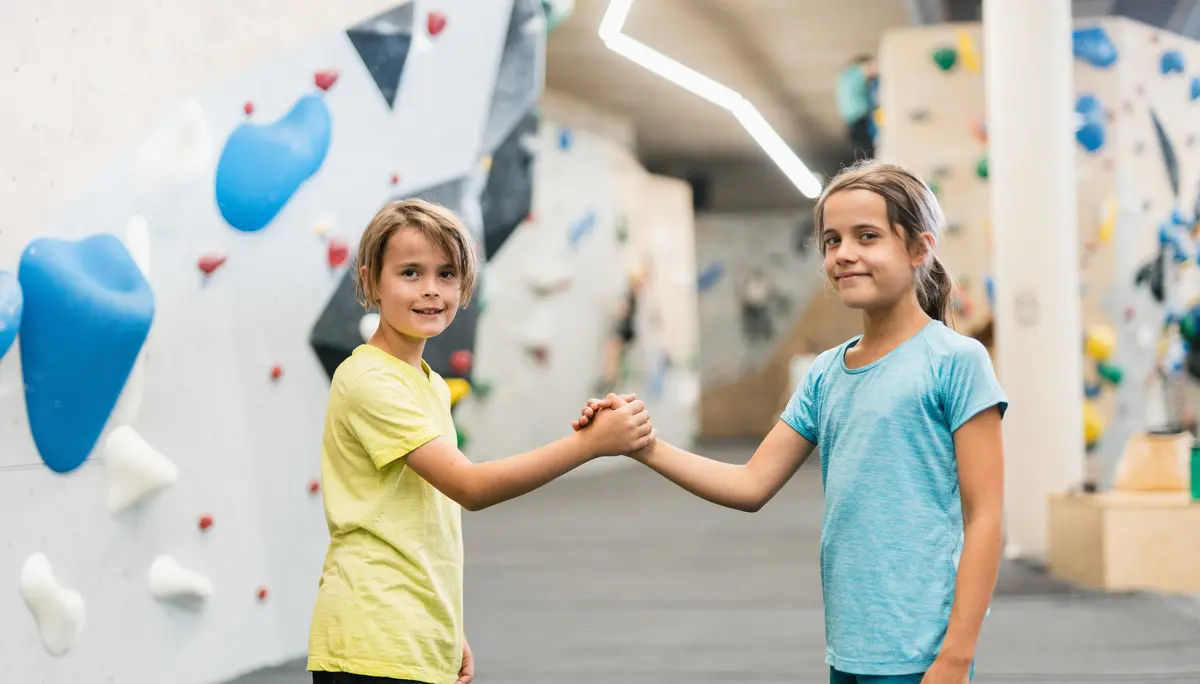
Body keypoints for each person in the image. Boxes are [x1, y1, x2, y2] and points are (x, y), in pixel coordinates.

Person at [575, 160, 1007, 684]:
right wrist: (642, 445)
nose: (843, 253)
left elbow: (985, 518)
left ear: (920, 249)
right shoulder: (825, 373)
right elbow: (750, 484)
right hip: (850, 648)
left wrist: (956, 656)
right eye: (831, 240)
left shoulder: (956, 362)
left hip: (923, 655)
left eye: (867, 236)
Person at [307, 199, 656, 684]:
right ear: (371, 282)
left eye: (446, 274)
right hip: (371, 639)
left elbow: (422, 518)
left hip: (412, 632)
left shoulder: (427, 382)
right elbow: (468, 487)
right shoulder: (371, 381)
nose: (431, 289)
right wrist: (589, 445)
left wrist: (445, 626)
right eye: (410, 272)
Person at [837, 54, 879, 159]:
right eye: (872, 65)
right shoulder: (856, 73)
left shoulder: (845, 77)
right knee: (867, 149)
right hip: (859, 117)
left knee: (862, 150)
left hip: (851, 120)